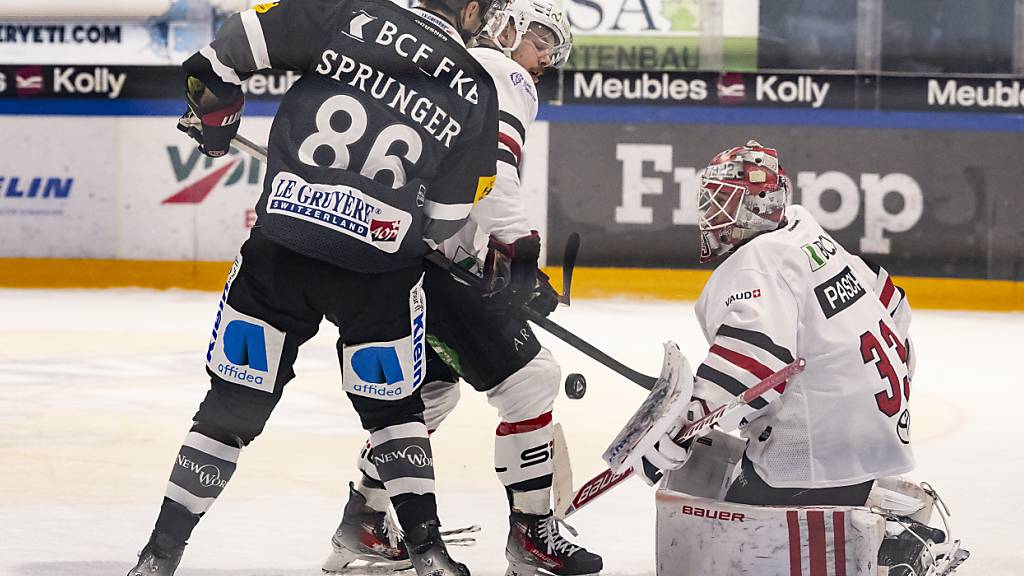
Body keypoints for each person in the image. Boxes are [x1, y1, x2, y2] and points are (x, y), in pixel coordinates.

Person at [125, 0, 504, 574]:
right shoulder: (476, 85)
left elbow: (216, 56)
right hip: (377, 272)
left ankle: (159, 555)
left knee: (232, 406)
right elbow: (449, 216)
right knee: (395, 412)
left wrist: (216, 120)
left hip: (281, 249)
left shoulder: (347, 13)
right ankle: (429, 554)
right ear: (471, 8)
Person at [321, 2, 603, 575]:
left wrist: (496, 257)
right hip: (432, 267)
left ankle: (364, 521)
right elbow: (494, 169)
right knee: (532, 382)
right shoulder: (501, 72)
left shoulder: (439, 67)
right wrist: (518, 252)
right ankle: (531, 537)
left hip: (392, 261)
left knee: (429, 396)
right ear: (505, 27)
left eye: (557, 45)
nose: (549, 56)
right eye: (543, 37)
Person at [641, 139, 916, 505]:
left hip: (812, 463)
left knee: (718, 523)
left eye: (721, 201)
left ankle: (846, 524)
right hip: (874, 445)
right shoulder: (808, 234)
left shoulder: (757, 261)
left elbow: (756, 362)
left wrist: (684, 422)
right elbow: (894, 305)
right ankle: (864, 509)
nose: (710, 212)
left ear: (753, 207)